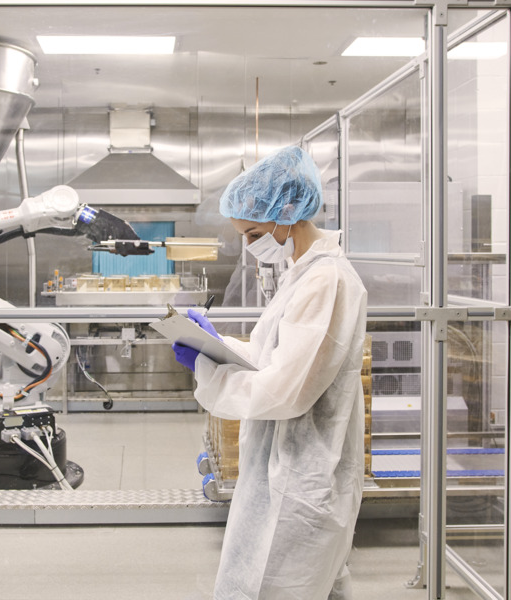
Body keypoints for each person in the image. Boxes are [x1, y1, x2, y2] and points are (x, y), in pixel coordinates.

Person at [172, 146, 367, 599]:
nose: (249, 244)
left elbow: (286, 390)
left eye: (254, 232)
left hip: (303, 477)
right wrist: (216, 344)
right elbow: (272, 354)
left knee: (277, 586)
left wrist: (211, 372)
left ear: (288, 213)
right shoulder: (302, 274)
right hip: (283, 467)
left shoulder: (327, 281)